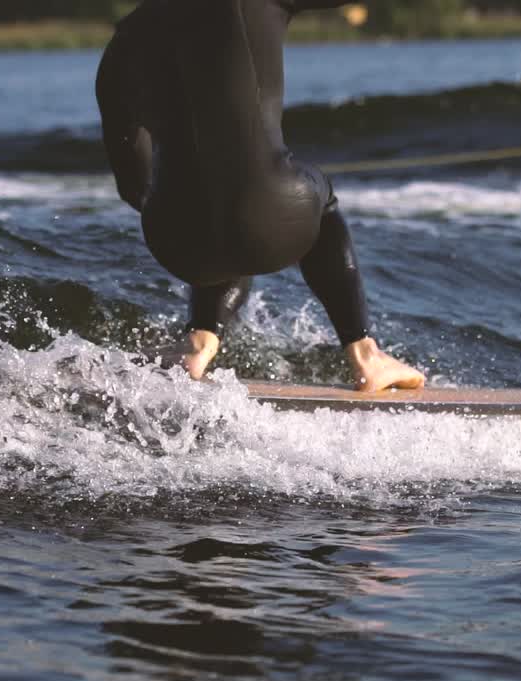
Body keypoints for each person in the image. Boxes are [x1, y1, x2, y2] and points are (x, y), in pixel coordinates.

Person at [95, 0, 424, 392]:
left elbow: (132, 182)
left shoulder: (122, 46)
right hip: (273, 219)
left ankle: (198, 342)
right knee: (316, 194)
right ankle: (367, 355)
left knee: (215, 188)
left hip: (175, 242)